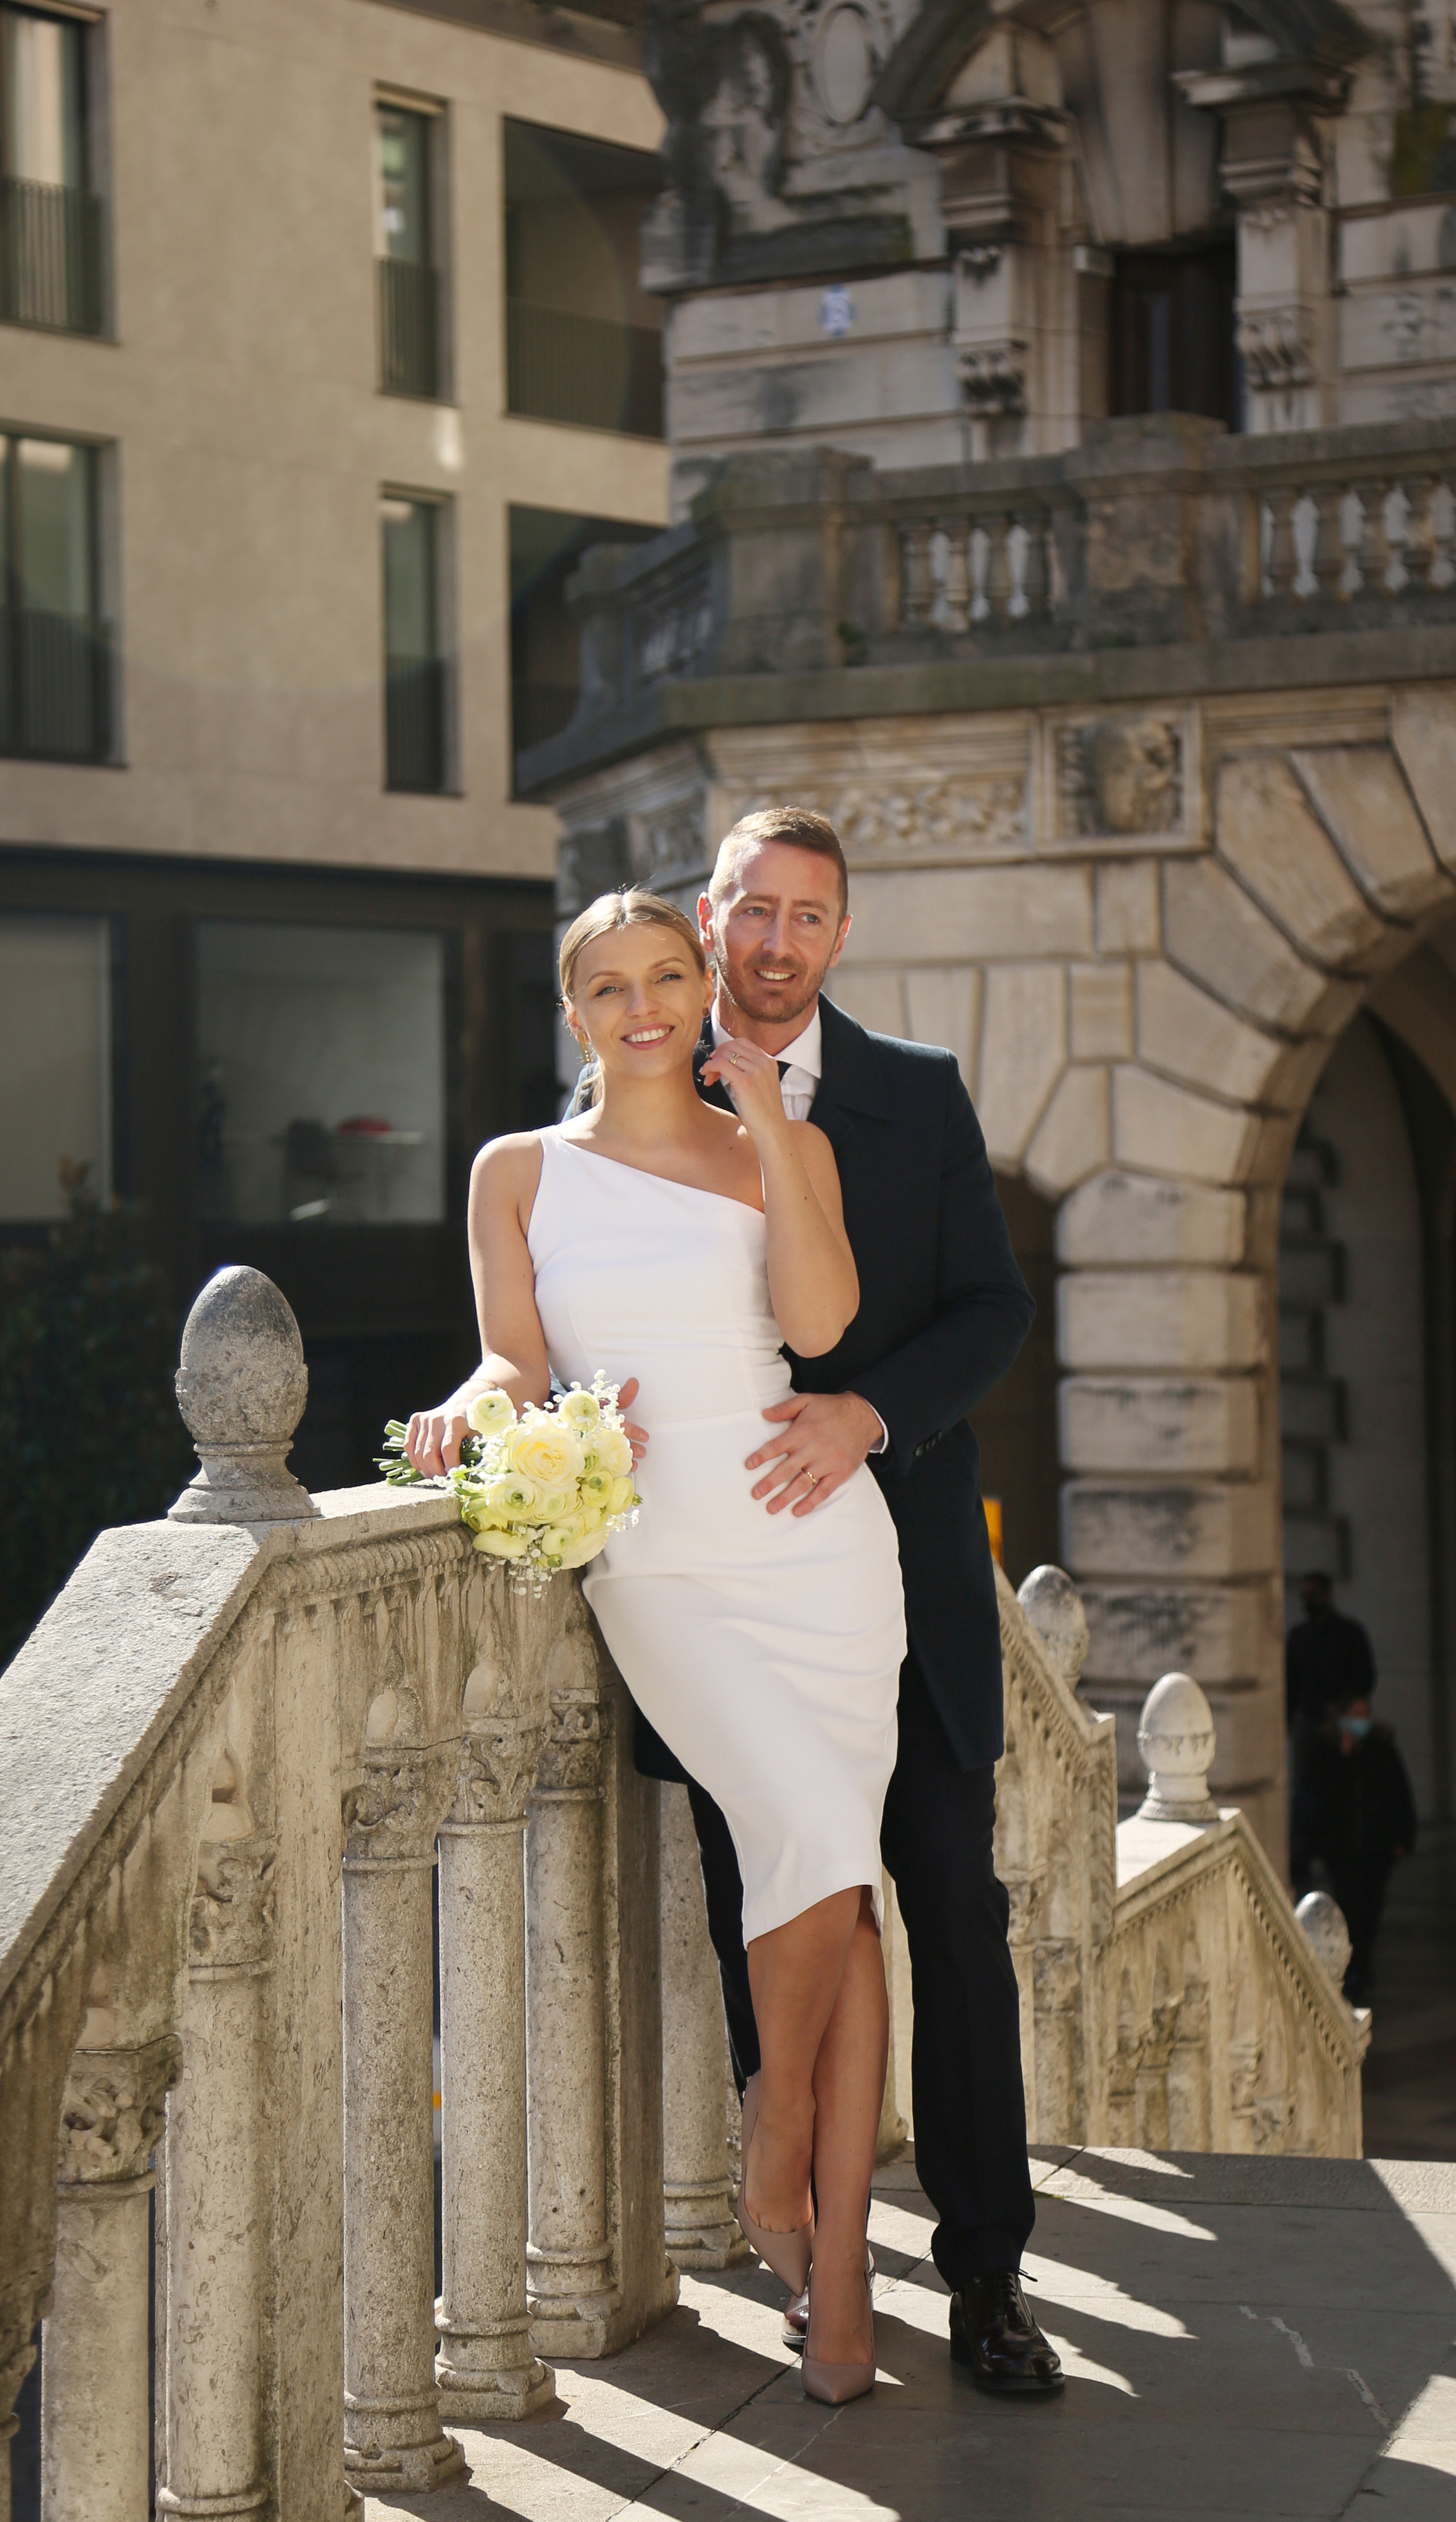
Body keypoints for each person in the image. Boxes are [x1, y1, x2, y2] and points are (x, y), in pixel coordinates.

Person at [407, 885, 902, 2404]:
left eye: (666, 976)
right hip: (662, 1559)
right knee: (818, 1848)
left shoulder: (780, 1143)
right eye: (607, 986)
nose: (642, 1006)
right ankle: (776, 2163)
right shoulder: (516, 1172)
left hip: (817, 1546)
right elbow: (514, 1355)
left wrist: (766, 1127)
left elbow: (819, 1326)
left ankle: (834, 2262)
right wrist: (471, 1413)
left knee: (840, 1875)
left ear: (702, 986)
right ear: (574, 1014)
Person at [621, 807, 1059, 2395]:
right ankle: (815, 2266)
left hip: (906, 1595)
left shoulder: (917, 1097)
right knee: (778, 1945)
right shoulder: (632, 1099)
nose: (779, 940)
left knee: (954, 1913)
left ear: (839, 934)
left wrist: (867, 1413)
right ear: (708, 913)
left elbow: (988, 1306)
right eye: (755, 909)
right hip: (728, 1605)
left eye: (809, 915)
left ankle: (988, 2276)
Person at [1296, 1694, 1417, 2006]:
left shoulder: (1382, 1749)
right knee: (1351, 1909)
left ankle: (1361, 1966)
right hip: (1343, 1850)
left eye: (1365, 1713)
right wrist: (1343, 1759)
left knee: (1372, 1909)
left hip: (1377, 1849)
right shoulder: (1327, 1752)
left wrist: (1402, 1836)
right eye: (1355, 1713)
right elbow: (1315, 1800)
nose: (1361, 1720)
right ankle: (1355, 1970)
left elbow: (1398, 1795)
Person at [1286, 1573, 1377, 1890]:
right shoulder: (1299, 1636)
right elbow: (1291, 1682)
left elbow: (1364, 1675)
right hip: (1310, 1723)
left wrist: (1344, 1709)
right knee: (1307, 1788)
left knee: (1347, 1783)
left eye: (1313, 1594)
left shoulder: (1348, 1634)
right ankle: (1307, 1850)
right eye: (1305, 1594)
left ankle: (1345, 1847)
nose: (1307, 1601)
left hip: (1342, 1720)